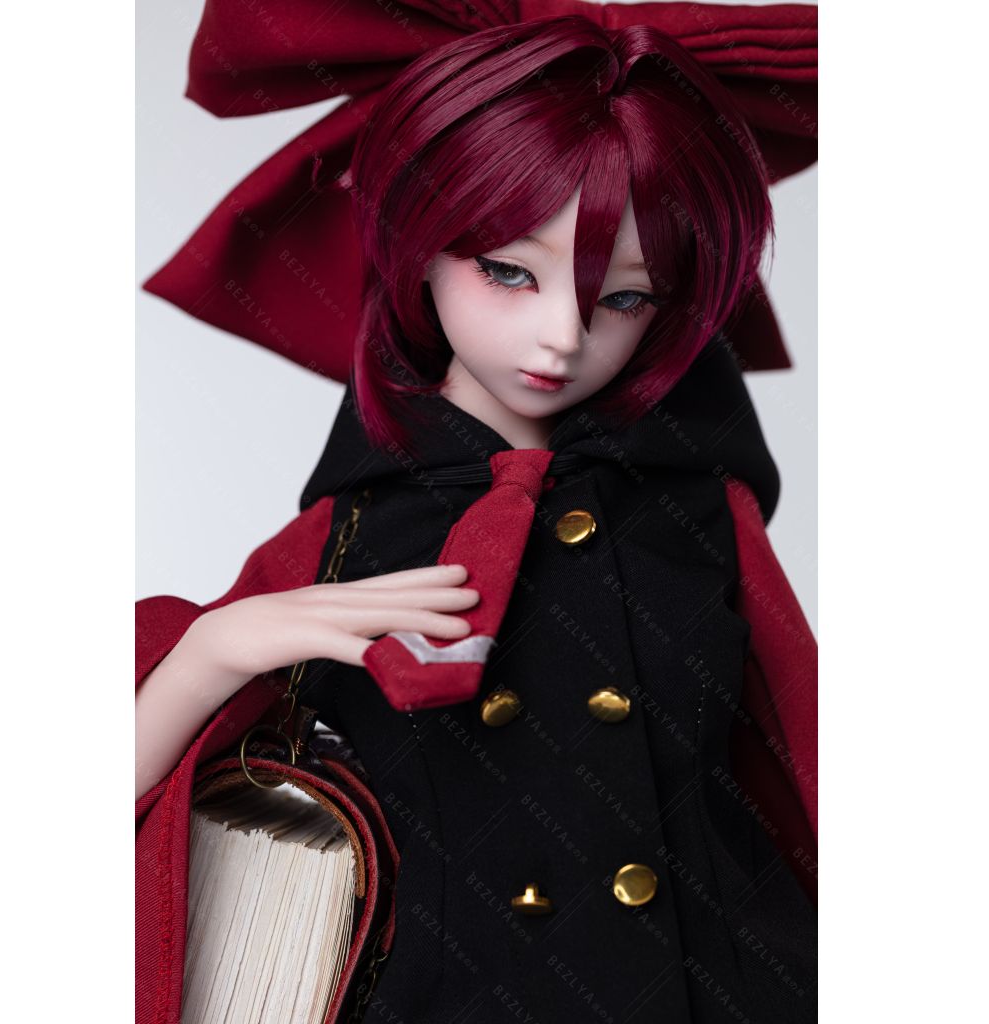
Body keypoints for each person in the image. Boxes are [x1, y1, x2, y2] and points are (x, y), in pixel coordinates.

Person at [137, 14, 817, 1023]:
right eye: (508, 271)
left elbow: (810, 752)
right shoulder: (345, 539)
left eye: (624, 299)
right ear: (417, 246)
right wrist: (212, 650)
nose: (561, 337)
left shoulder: (698, 513)